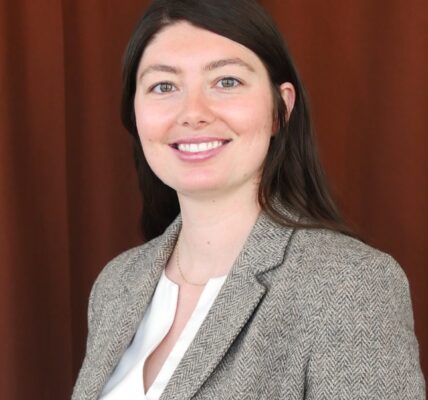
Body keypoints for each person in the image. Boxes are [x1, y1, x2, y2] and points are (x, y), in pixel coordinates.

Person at [72, 0, 426, 399]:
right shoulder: (117, 284)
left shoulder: (350, 285)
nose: (192, 113)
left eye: (226, 81)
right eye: (164, 86)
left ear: (280, 108)